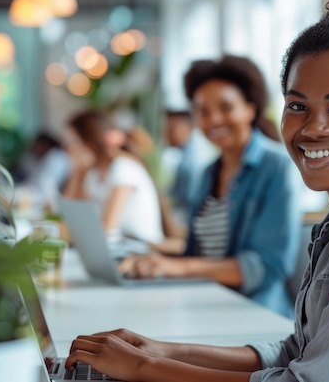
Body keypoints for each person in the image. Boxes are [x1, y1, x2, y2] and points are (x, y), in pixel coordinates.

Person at [65, 0, 329, 382]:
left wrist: (145, 370)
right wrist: (163, 350)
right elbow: (295, 353)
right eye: (298, 106)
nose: (314, 127)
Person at [119, 55, 302, 318]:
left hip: (255, 314)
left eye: (226, 107)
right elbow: (201, 253)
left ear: (251, 108)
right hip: (204, 305)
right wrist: (153, 255)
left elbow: (267, 265)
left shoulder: (277, 167)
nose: (214, 120)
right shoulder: (208, 174)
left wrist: (178, 268)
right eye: (203, 111)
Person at [61, 109, 167, 250]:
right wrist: (77, 172)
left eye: (73, 141)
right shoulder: (93, 173)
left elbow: (107, 230)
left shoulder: (123, 167)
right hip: (118, 248)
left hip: (143, 249)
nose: (68, 148)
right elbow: (72, 214)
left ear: (90, 140)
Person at [162, 109, 216, 223]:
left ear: (188, 128)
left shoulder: (194, 159)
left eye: (171, 128)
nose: (165, 134)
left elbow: (192, 205)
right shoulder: (188, 153)